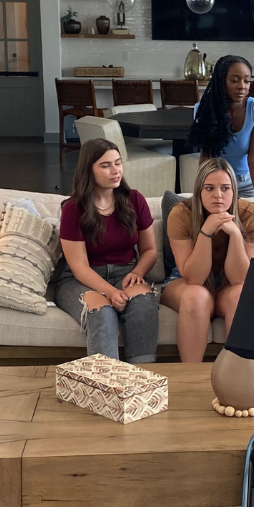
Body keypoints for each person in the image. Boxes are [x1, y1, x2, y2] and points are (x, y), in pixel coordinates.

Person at [54, 139, 160, 364]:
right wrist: (111, 293)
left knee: (143, 303)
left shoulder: (134, 200)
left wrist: (137, 272)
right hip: (80, 279)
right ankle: (107, 386)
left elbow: (150, 250)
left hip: (127, 272)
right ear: (88, 170)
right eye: (105, 165)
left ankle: (142, 381)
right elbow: (79, 266)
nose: (115, 171)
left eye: (118, 163)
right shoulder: (74, 208)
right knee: (102, 312)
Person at [163, 157, 254, 363]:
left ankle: (239, 381)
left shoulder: (252, 216)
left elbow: (240, 278)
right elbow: (193, 278)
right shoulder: (181, 214)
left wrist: (236, 235)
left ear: (234, 191)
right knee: (196, 296)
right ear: (199, 191)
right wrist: (206, 232)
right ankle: (192, 379)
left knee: (241, 296)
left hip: (230, 283)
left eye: (225, 188)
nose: (218, 195)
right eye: (209, 188)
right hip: (186, 280)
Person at [188, 55, 254, 198]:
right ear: (221, 81)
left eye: (247, 81)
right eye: (234, 80)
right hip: (218, 183)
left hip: (247, 183)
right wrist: (201, 191)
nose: (242, 86)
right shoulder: (204, 109)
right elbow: (207, 155)